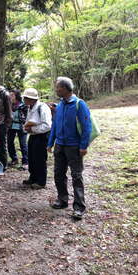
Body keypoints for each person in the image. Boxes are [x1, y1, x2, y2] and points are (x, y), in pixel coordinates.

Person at [47, 77, 92, 220]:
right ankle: (62, 200)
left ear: (65, 88)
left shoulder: (79, 104)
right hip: (60, 145)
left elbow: (87, 126)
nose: (56, 90)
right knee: (58, 174)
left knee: (76, 176)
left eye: (58, 87)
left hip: (74, 146)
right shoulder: (60, 105)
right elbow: (55, 125)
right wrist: (50, 142)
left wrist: (84, 146)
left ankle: (79, 207)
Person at [21, 88, 52, 189]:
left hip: (42, 136)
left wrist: (33, 129)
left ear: (31, 99)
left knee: (40, 158)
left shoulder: (42, 107)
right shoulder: (31, 107)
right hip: (34, 135)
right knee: (32, 157)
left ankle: (41, 181)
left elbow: (47, 125)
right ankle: (33, 178)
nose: (24, 100)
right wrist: (27, 128)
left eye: (25, 98)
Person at [7, 89, 29, 170]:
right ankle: (14, 159)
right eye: (10, 95)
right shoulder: (8, 104)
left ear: (16, 96)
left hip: (21, 126)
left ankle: (25, 162)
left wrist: (26, 124)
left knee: (23, 144)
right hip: (11, 126)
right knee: (9, 143)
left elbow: (27, 116)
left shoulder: (24, 105)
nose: (10, 96)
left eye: (12, 95)